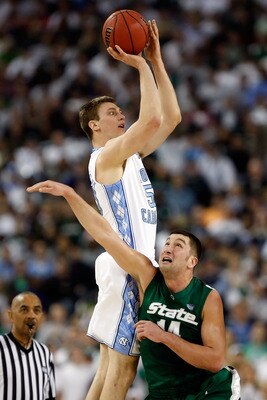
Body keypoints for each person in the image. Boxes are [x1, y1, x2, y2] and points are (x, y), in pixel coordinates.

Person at [26, 180, 241, 400]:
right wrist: (69, 194)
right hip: (163, 394)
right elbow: (105, 236)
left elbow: (215, 360)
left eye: (178, 245)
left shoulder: (207, 296)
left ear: (192, 261)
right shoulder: (148, 276)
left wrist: (163, 337)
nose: (168, 247)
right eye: (167, 243)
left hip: (207, 391)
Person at [78, 19, 181, 399]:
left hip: (121, 265)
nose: (120, 115)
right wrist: (139, 66)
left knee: (107, 373)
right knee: (120, 375)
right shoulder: (107, 155)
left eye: (121, 111)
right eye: (112, 114)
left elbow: (170, 118)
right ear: (94, 126)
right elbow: (151, 118)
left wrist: (156, 61)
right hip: (127, 268)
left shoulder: (129, 154)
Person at [0, 291, 56, 400]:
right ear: (10, 315)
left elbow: (49, 396)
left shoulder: (45, 353)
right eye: (24, 309)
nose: (31, 315)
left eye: (36, 310)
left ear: (41, 317)